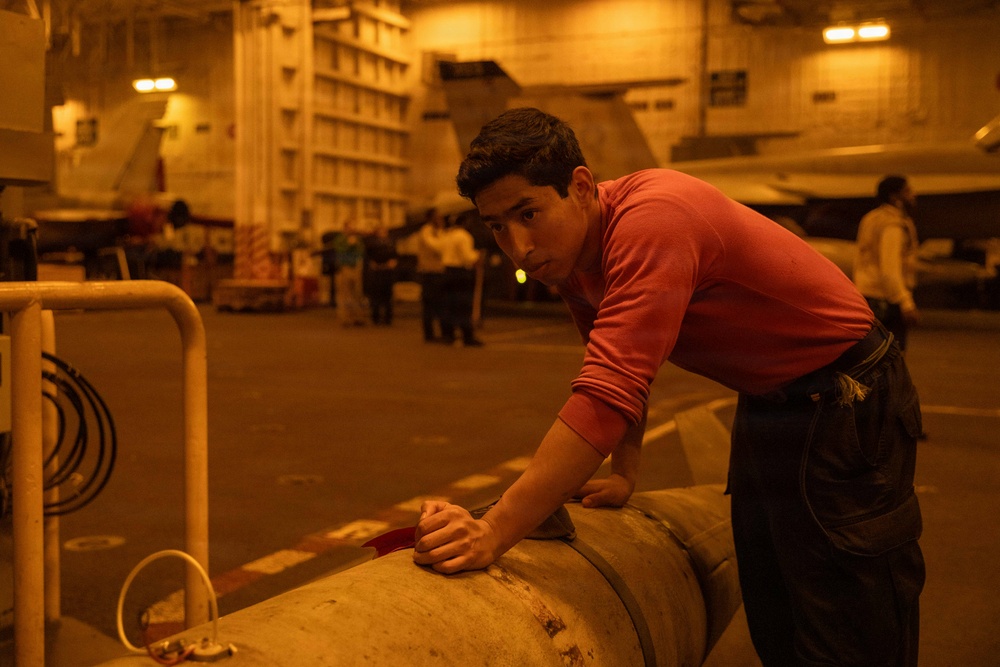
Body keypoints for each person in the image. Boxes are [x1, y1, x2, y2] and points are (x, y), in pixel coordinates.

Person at [413, 108, 924, 667]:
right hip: (772, 397)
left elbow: (608, 393)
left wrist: (493, 532)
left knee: (846, 615)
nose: (518, 246)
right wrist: (624, 472)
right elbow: (618, 367)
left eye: (528, 213)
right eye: (496, 226)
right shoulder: (573, 258)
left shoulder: (652, 222)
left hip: (848, 393)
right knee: (775, 599)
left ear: (580, 187)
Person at [854, 175, 921, 351]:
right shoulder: (893, 225)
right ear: (894, 197)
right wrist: (906, 303)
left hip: (867, 296)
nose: (913, 195)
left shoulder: (870, 218)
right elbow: (890, 268)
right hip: (887, 301)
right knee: (892, 358)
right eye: (907, 191)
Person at [439, 212, 484, 347]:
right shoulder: (463, 236)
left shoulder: (447, 235)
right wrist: (478, 256)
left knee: (449, 304)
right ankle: (467, 336)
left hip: (447, 271)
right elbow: (468, 257)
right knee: (463, 304)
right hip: (460, 272)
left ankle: (448, 334)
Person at [416, 209, 447, 342]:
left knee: (441, 304)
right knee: (430, 305)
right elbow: (436, 247)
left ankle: (442, 333)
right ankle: (429, 335)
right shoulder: (427, 231)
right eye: (438, 217)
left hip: (439, 271)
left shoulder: (439, 231)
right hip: (430, 273)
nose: (441, 219)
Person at [332, 220, 367, 327]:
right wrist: (349, 244)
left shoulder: (357, 239)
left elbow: (362, 251)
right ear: (345, 228)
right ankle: (345, 319)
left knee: (357, 294)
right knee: (345, 295)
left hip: (356, 267)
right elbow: (338, 249)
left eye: (353, 227)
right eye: (350, 228)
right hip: (344, 268)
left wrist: (355, 244)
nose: (352, 230)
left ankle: (358, 317)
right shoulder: (340, 239)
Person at [364, 225, 398, 326]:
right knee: (376, 295)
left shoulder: (390, 243)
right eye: (381, 232)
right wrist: (372, 263)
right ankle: (376, 317)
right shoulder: (372, 244)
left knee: (388, 295)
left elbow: (395, 255)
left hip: (387, 271)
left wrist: (393, 262)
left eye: (384, 232)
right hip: (377, 272)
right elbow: (368, 256)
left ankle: (388, 318)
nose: (383, 234)